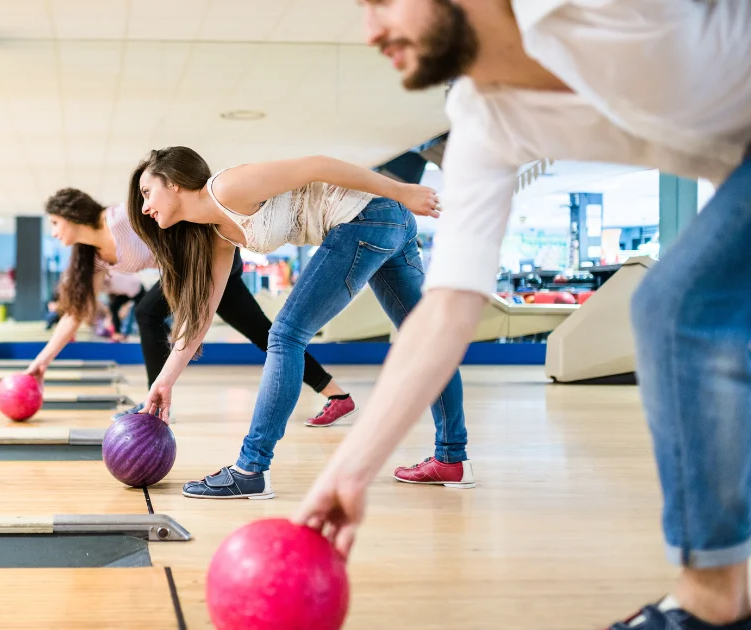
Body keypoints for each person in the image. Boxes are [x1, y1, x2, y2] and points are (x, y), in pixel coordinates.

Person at [294, 2, 751, 628]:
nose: (370, 31)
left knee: (677, 309)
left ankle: (713, 604)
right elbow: (448, 305)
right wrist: (350, 471)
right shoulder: (483, 115)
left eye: (382, 2)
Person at [128, 146, 468, 500]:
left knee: (286, 335)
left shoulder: (227, 187)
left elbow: (317, 165)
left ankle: (250, 469)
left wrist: (402, 190)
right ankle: (452, 458)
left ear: (174, 184)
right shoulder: (217, 234)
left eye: (147, 192)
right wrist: (165, 381)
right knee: (425, 341)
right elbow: (201, 314)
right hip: (386, 220)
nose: (143, 207)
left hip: (368, 217)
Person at [24, 187, 354, 423]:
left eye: (54, 223)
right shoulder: (92, 256)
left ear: (70, 214)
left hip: (210, 257)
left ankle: (154, 405)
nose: (52, 232)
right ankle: (337, 395)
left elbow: (180, 218)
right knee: (263, 334)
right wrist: (41, 362)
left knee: (146, 312)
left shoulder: (121, 218)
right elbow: (75, 315)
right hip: (186, 273)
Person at [102, 270, 146, 342]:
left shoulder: (108, 278)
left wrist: (126, 306)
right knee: (113, 307)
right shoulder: (110, 285)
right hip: (126, 291)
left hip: (138, 289)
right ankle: (117, 333)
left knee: (140, 312)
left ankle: (144, 333)